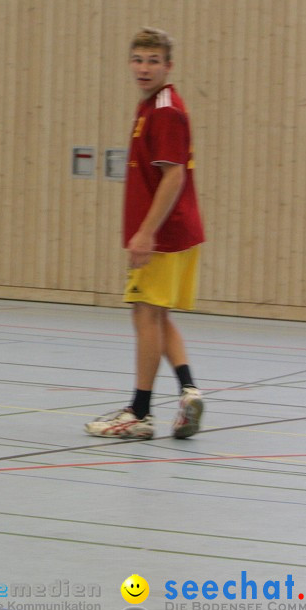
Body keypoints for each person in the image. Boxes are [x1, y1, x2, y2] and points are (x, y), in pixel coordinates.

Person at [84, 27, 205, 440]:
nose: (144, 67)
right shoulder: (151, 106)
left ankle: (140, 412)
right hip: (175, 232)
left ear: (168, 66)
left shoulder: (166, 110)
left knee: (143, 315)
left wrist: (146, 233)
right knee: (157, 315)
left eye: (153, 61)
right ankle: (189, 392)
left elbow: (173, 178)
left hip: (164, 235)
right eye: (138, 59)